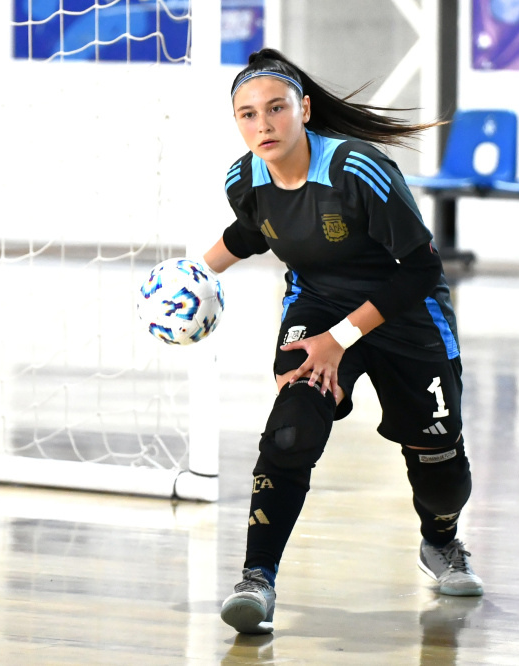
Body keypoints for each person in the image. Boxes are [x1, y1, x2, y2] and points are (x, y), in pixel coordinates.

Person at [201, 48, 482, 635]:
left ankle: (441, 542)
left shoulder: (359, 170)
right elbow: (253, 231)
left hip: (407, 314)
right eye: (248, 114)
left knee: (440, 467)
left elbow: (421, 270)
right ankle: (256, 579)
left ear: (303, 109)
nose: (263, 125)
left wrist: (342, 338)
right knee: (292, 427)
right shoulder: (243, 179)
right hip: (317, 306)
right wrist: (193, 275)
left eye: (276, 109)